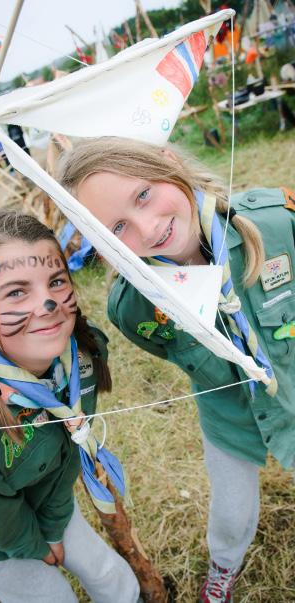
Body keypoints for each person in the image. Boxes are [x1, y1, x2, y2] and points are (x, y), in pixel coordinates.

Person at [57, 136, 295, 603]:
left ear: (168, 162)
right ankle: (223, 568)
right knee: (230, 514)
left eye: (143, 193)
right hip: (228, 417)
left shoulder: (276, 224)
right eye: (118, 226)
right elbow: (168, 348)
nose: (147, 228)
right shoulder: (132, 307)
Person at [0, 209, 140, 603]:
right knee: (50, 596)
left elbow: (67, 454)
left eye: (56, 282)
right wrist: (36, 545)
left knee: (109, 574)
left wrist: (55, 523)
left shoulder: (81, 355)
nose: (48, 304)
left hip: (37, 487)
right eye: (16, 291)